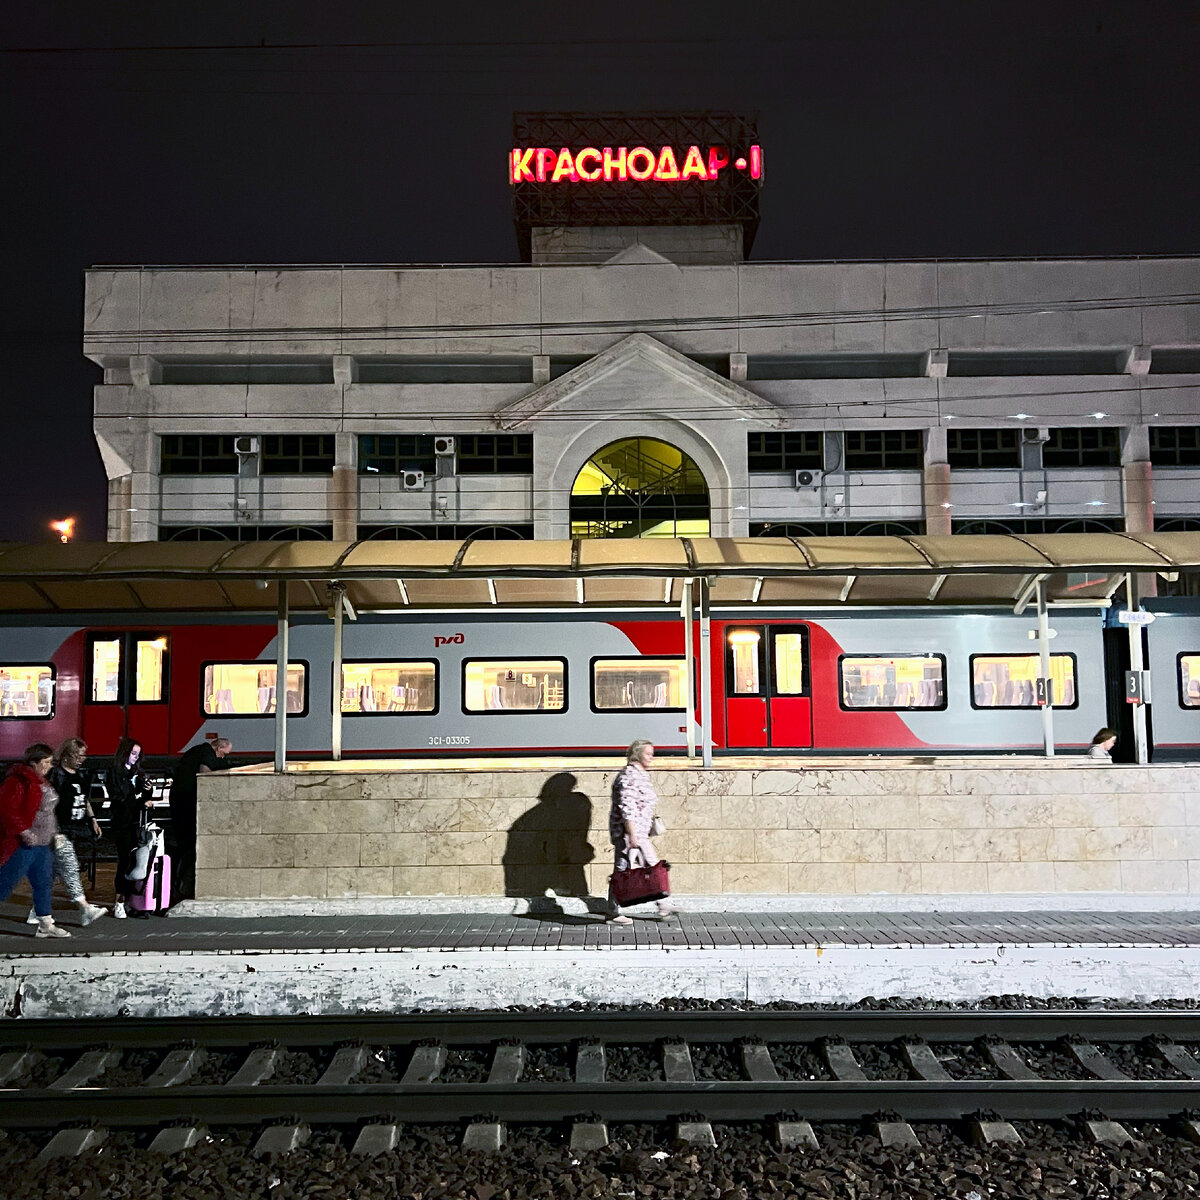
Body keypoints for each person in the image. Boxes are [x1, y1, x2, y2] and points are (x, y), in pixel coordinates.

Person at [26, 738, 107, 926]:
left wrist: (92, 819)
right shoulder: (56, 776)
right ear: (67, 755)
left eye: (83, 755)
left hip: (76, 828)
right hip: (59, 830)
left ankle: (37, 911)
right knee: (70, 866)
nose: (82, 759)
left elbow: (84, 799)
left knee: (52, 873)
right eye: (78, 756)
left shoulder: (80, 776)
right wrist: (52, 829)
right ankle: (85, 908)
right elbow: (48, 805)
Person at [0, 743, 71, 937]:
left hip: (41, 843)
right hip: (24, 844)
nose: (49, 766)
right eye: (46, 762)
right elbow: (7, 808)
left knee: (43, 883)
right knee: (5, 882)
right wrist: (23, 831)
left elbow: (47, 813)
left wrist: (54, 834)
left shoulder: (41, 781)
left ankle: (45, 924)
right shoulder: (19, 781)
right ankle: (45, 924)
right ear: (34, 762)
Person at [605, 738, 674, 925]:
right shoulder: (629, 775)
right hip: (629, 835)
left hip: (639, 833)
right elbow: (627, 807)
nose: (652, 757)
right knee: (622, 871)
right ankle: (612, 912)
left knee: (652, 867)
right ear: (637, 754)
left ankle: (664, 905)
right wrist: (632, 833)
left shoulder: (641, 774)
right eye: (648, 753)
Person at [168, 737, 232, 905]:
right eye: (223, 754)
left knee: (185, 846)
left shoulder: (196, 751)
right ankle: (181, 888)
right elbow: (204, 774)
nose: (223, 758)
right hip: (185, 804)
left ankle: (179, 888)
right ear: (217, 748)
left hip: (179, 801)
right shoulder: (206, 753)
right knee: (189, 846)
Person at [108, 737, 154, 919]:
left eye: (138, 754)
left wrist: (147, 790)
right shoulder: (116, 773)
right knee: (125, 860)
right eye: (133, 753)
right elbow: (121, 798)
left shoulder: (136, 772)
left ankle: (132, 901)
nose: (135, 758)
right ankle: (119, 901)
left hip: (137, 821)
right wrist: (141, 798)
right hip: (123, 822)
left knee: (137, 861)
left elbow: (141, 795)